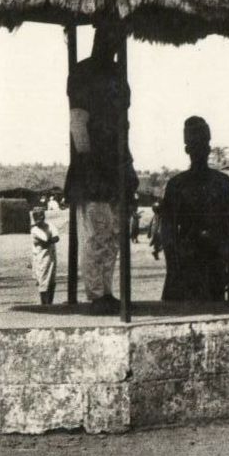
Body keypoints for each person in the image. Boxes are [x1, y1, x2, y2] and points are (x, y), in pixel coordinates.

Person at [64, 22, 138, 311]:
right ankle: (96, 293)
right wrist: (87, 160)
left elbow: (123, 125)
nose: (112, 43)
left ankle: (105, 291)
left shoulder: (119, 76)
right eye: (108, 37)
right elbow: (78, 122)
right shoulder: (82, 74)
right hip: (94, 167)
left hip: (114, 165)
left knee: (113, 236)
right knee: (96, 234)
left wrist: (127, 165)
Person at [161, 117, 229, 302]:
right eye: (194, 145)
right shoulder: (176, 185)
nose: (200, 150)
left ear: (209, 148)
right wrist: (173, 268)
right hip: (185, 263)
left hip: (214, 263)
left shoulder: (222, 182)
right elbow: (168, 232)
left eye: (203, 145)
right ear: (187, 149)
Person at [30, 206, 59, 305]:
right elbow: (45, 241)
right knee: (43, 279)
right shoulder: (34, 230)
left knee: (51, 279)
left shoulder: (50, 225)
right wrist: (51, 240)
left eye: (40, 216)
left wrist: (51, 240)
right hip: (40, 258)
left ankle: (50, 302)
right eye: (36, 217)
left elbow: (56, 237)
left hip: (51, 256)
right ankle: (44, 303)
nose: (39, 219)